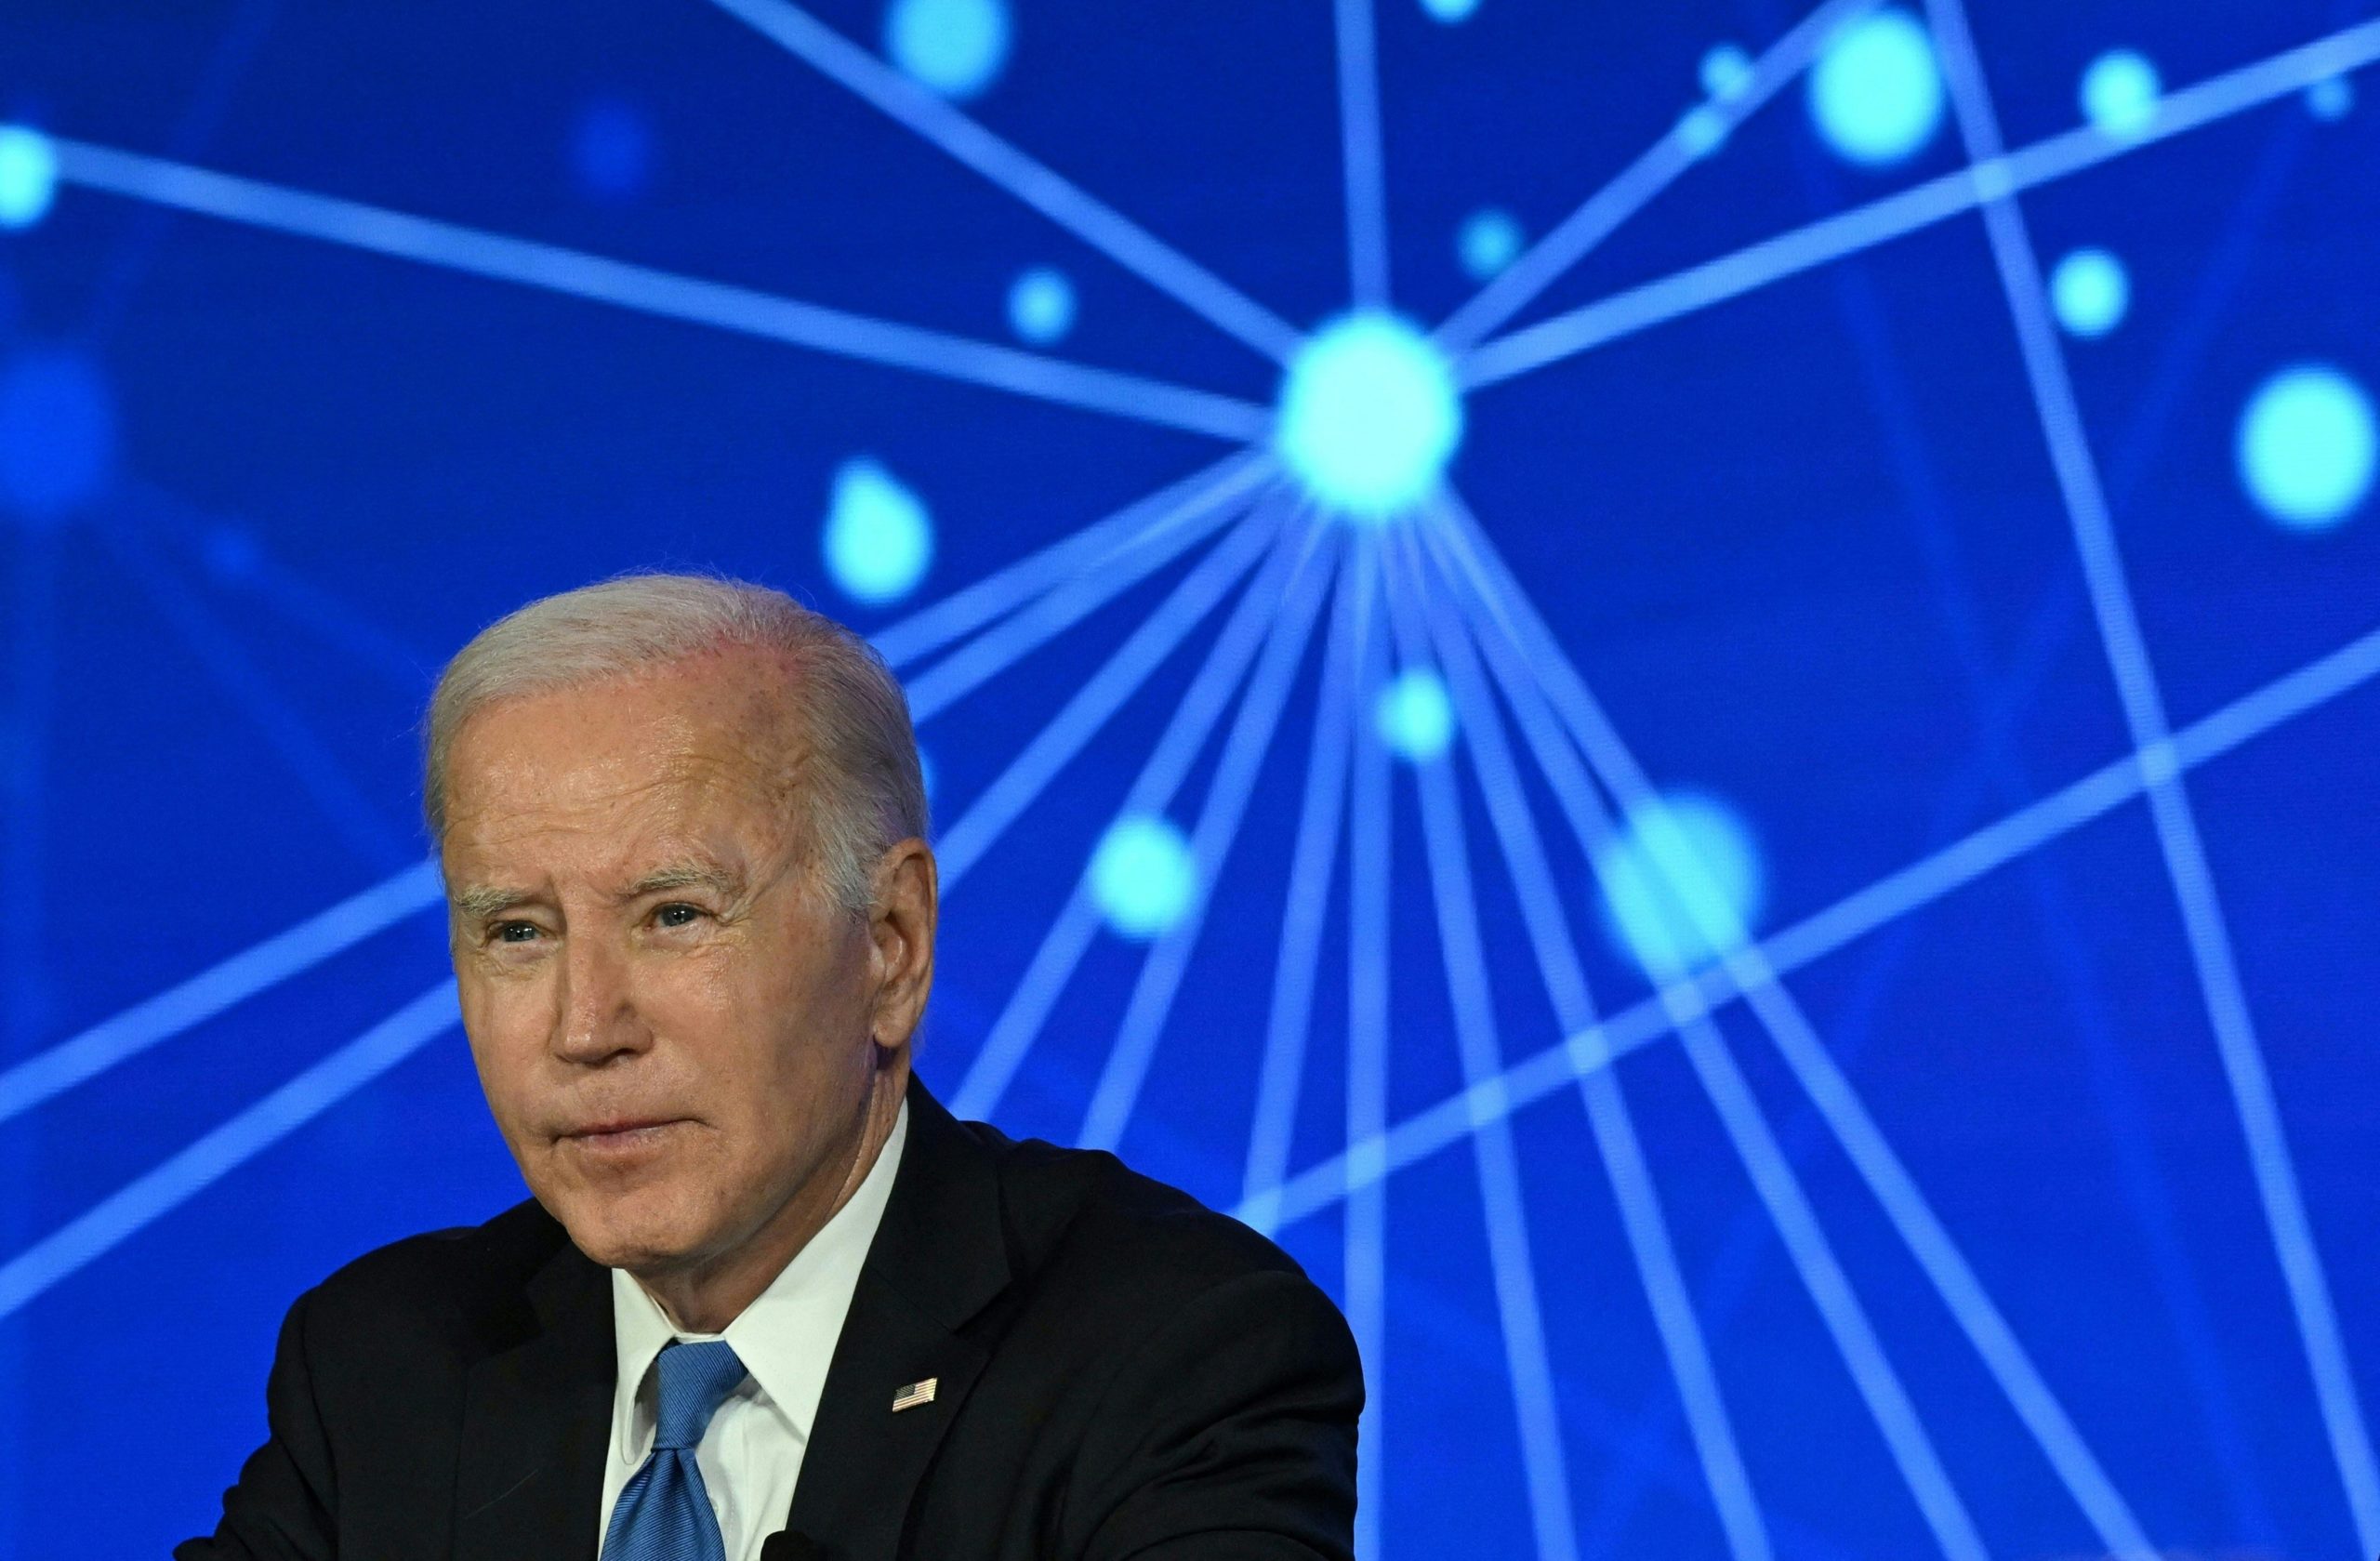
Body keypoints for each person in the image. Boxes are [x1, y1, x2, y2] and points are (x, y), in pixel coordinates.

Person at [178, 574, 1362, 1561]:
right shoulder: (386, 1367)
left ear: (890, 943)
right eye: (519, 931)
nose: (586, 1025)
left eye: (677, 914)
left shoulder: (1170, 1351)